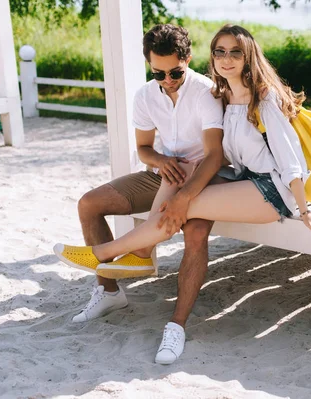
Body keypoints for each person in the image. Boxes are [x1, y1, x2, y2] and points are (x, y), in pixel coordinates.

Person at [54, 24, 311, 364]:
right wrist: (167, 165)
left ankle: (114, 257)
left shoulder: (249, 96)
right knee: (160, 184)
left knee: (184, 209)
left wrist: (302, 211)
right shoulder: (225, 96)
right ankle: (125, 269)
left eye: (235, 52)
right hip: (222, 180)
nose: (226, 59)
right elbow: (158, 150)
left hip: (260, 188)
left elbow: (281, 163)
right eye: (220, 52)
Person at [54, 24, 225, 364]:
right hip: (163, 174)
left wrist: (184, 195)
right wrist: (162, 161)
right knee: (90, 203)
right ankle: (108, 291)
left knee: (194, 232)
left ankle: (176, 325)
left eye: (175, 71)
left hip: (205, 179)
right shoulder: (145, 95)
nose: (168, 80)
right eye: (158, 73)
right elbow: (145, 149)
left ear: (188, 59)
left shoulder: (206, 92)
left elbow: (214, 155)